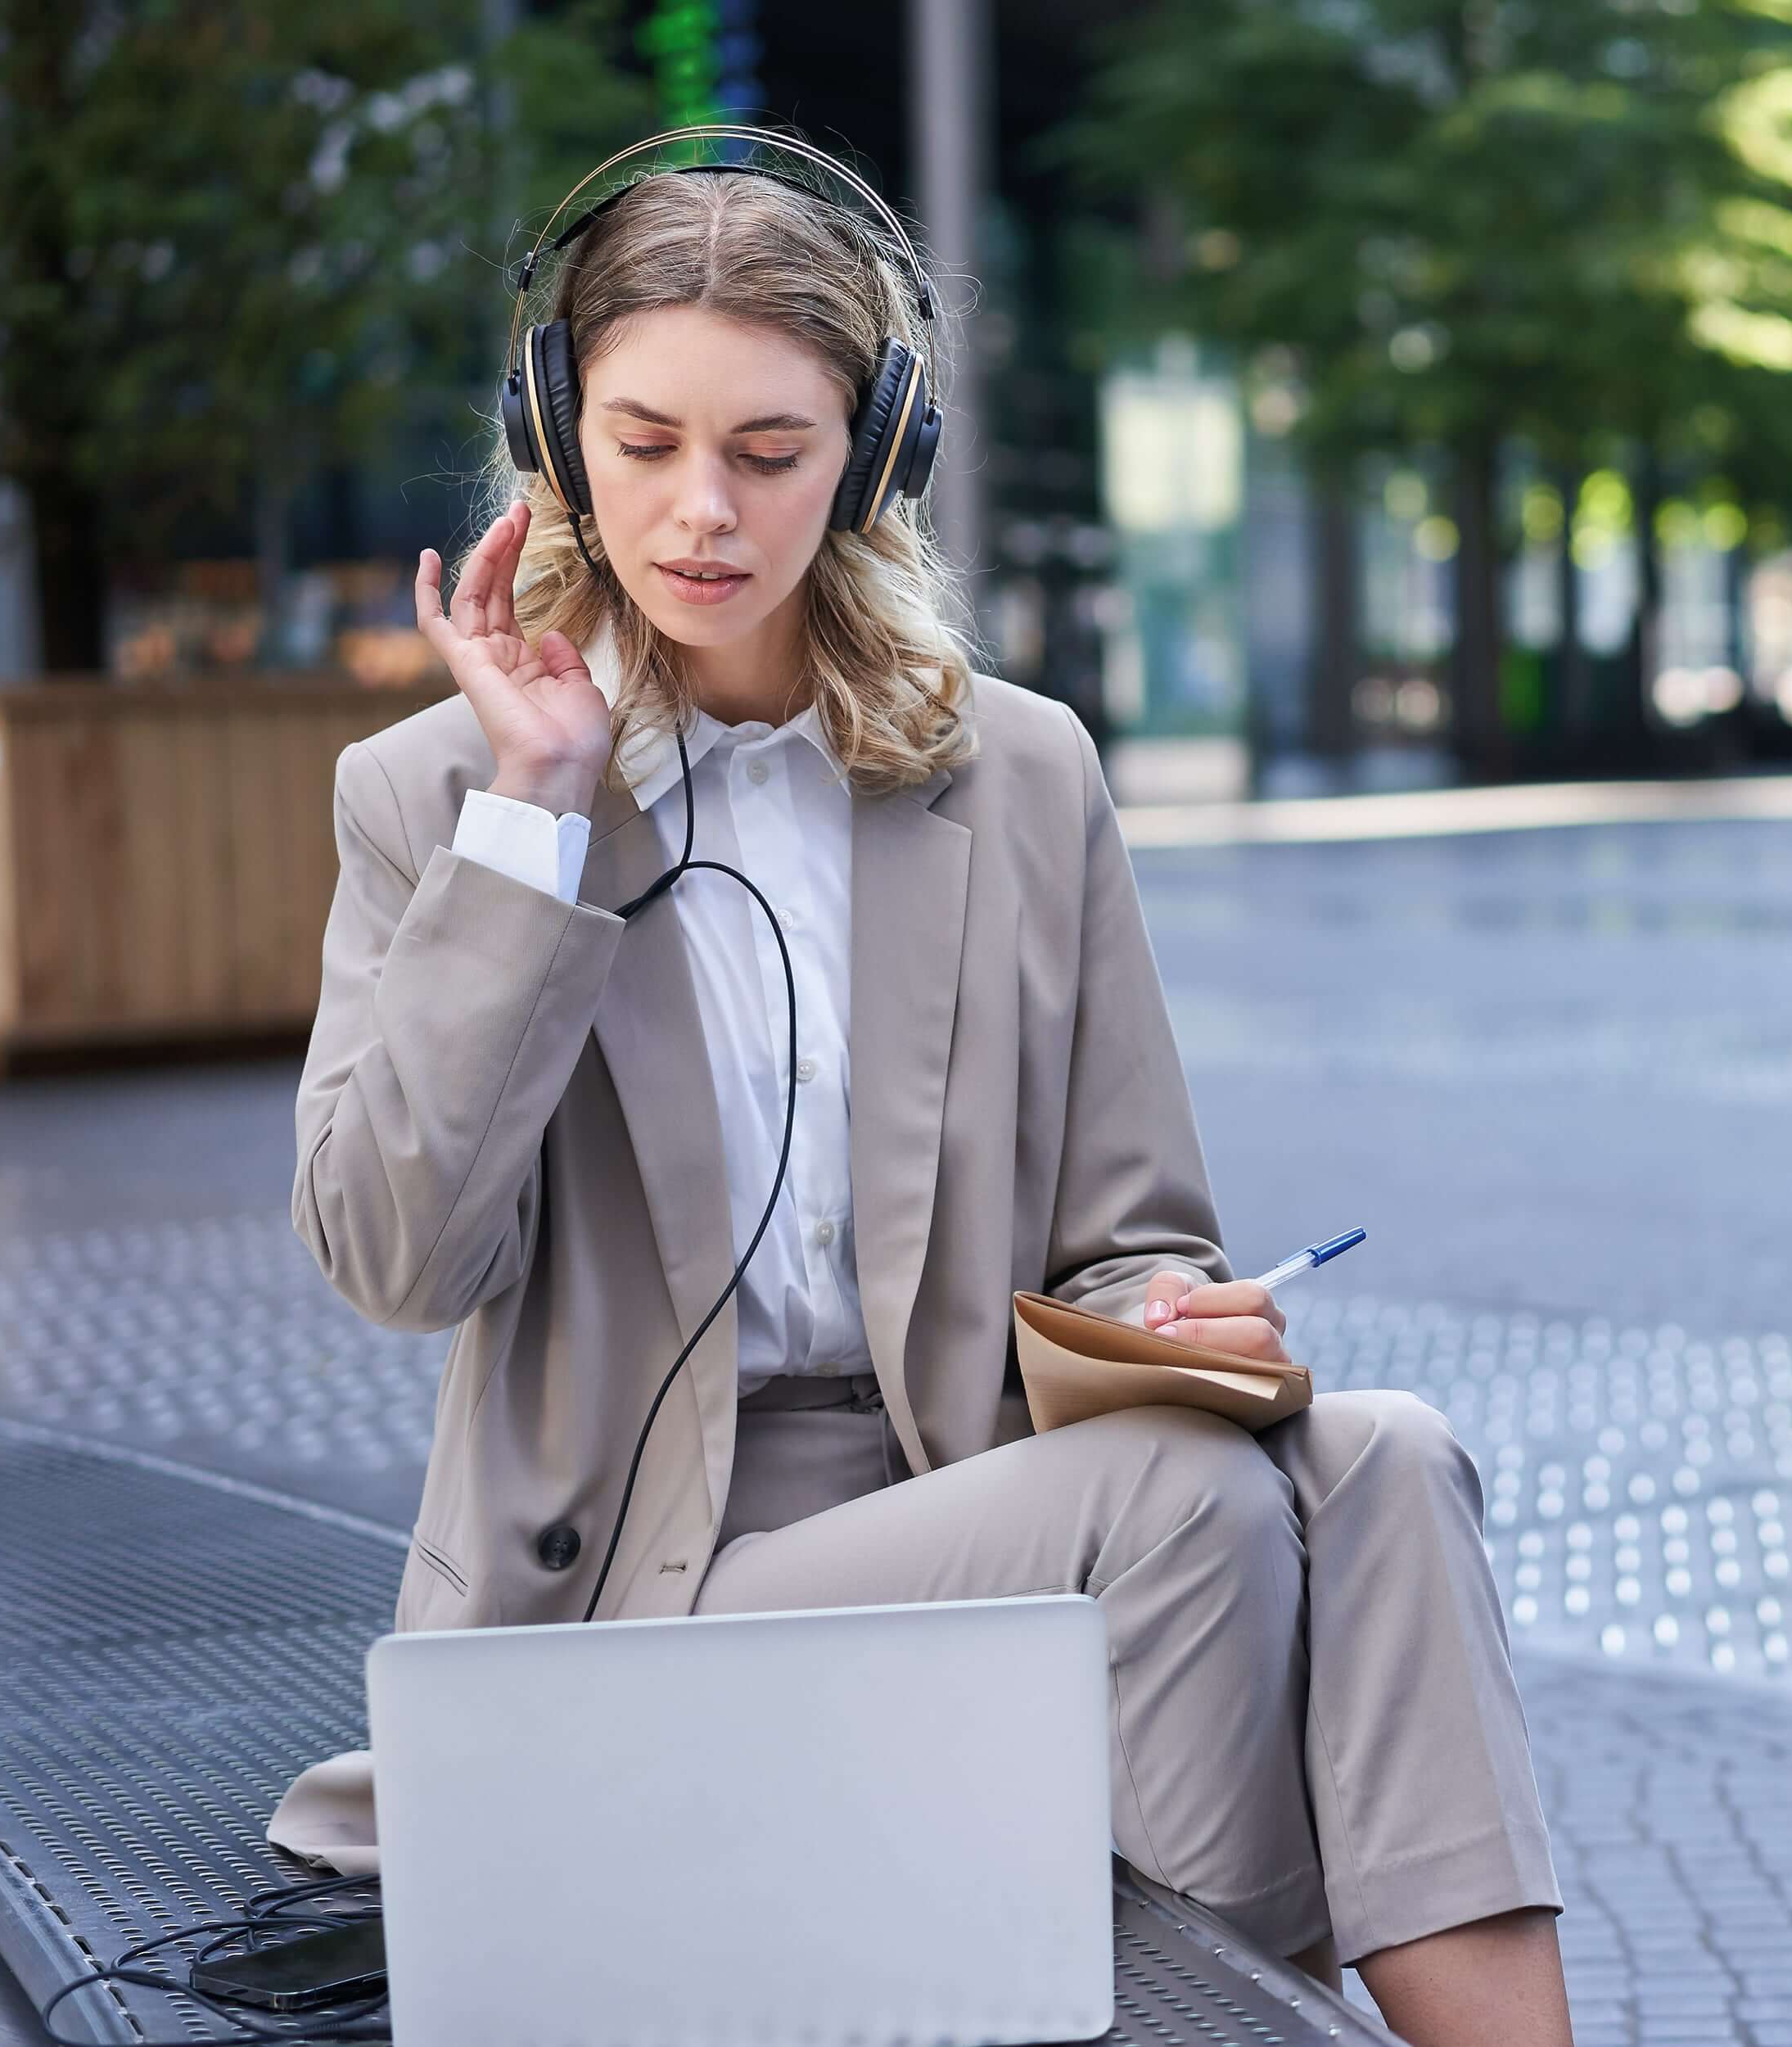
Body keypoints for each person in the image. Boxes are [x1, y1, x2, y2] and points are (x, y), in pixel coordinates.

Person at [260, 136, 1566, 2045]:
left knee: (1389, 1456)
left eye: (769, 452)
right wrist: (530, 825)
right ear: (557, 429)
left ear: (873, 455)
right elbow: (392, 1252)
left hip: (992, 1485)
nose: (700, 512)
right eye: (641, 444)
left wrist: (1165, 1311)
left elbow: (1131, 1229)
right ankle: (1226, 2005)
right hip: (649, 1579)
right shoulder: (436, 797)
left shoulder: (1018, 775)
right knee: (1188, 1509)